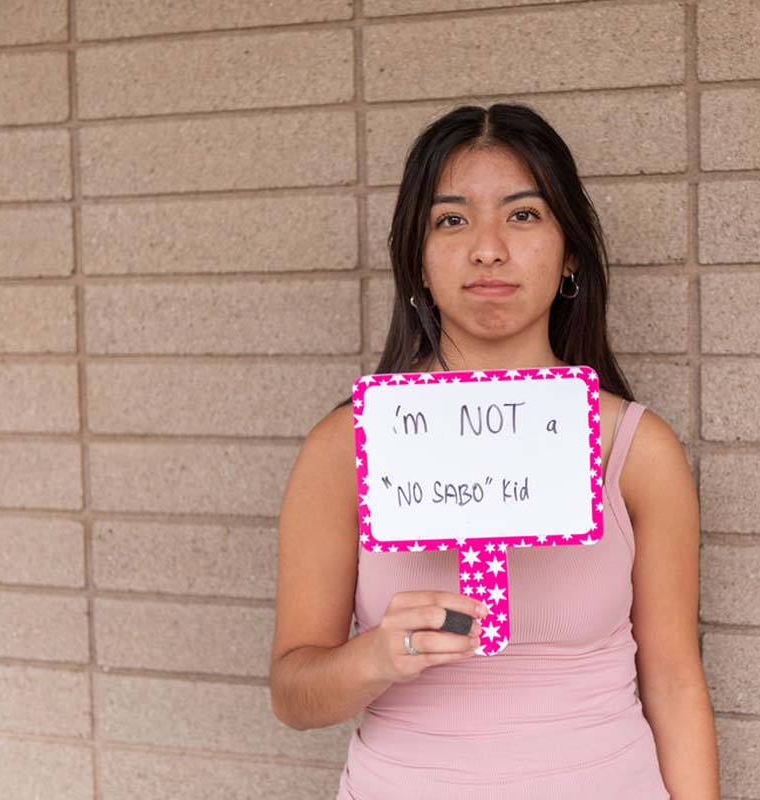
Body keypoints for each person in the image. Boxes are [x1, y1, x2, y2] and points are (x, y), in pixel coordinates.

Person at [269, 102, 719, 799]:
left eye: (523, 214)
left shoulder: (637, 450)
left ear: (570, 251)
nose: (487, 248)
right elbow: (294, 693)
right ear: (416, 260)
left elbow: (675, 680)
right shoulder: (344, 447)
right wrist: (377, 656)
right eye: (452, 219)